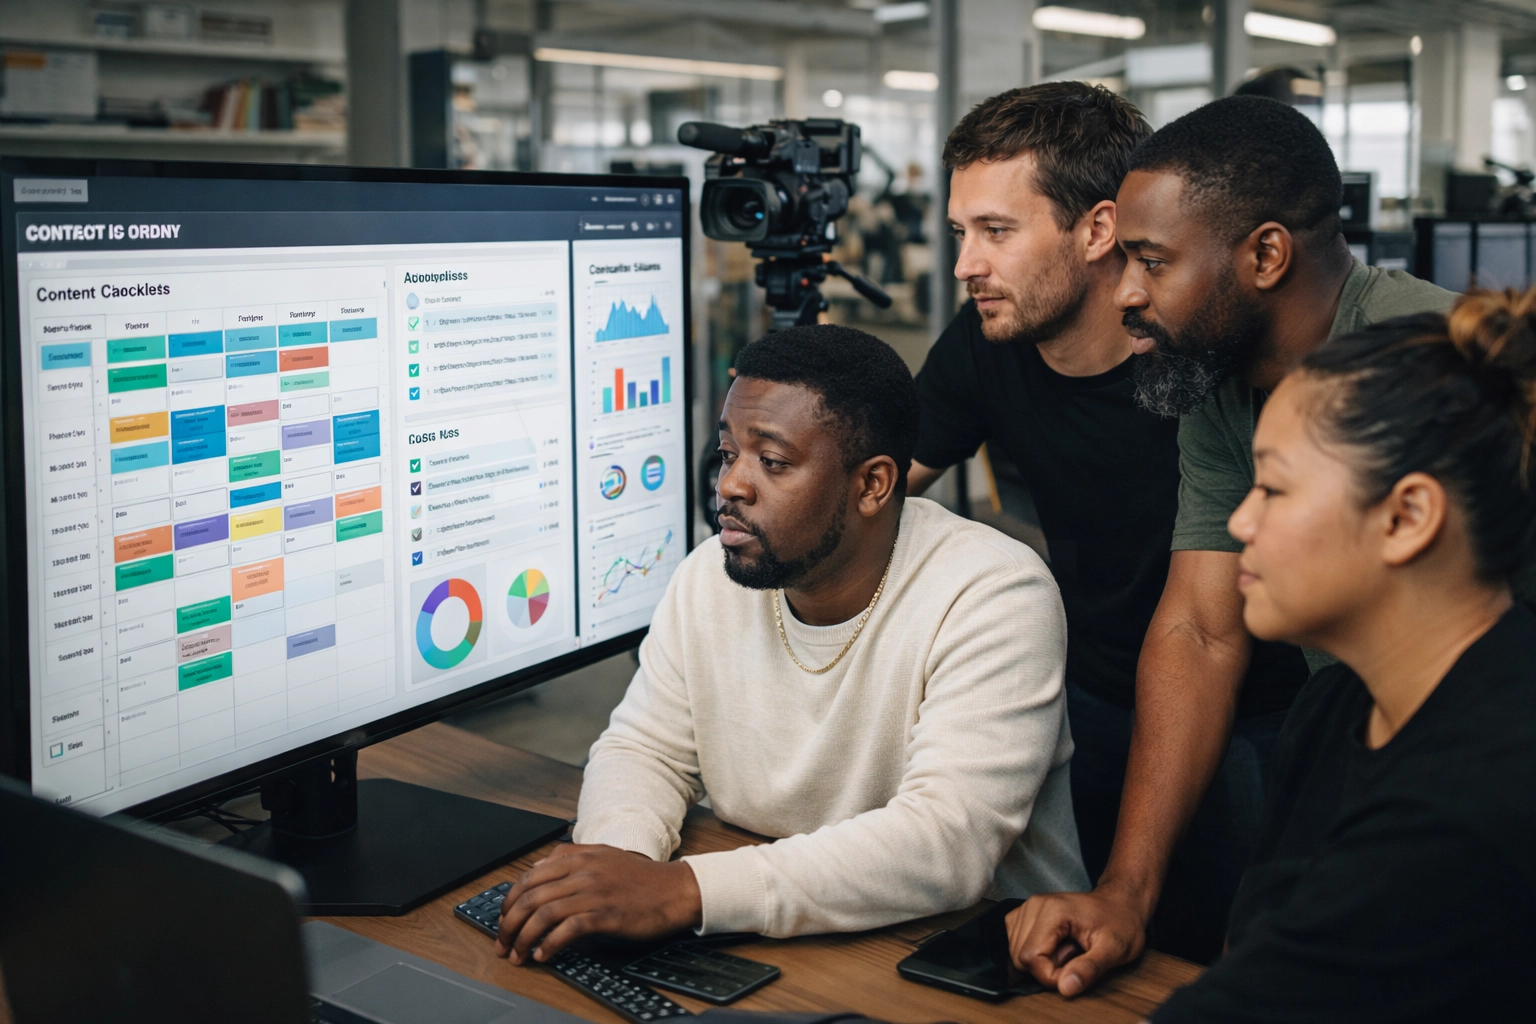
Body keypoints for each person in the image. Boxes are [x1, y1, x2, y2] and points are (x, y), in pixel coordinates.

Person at [1007, 95, 1459, 989]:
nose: (1124, 291)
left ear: (1264, 254)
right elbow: (1202, 628)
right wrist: (1125, 892)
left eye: (1151, 260)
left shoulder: (1435, 367)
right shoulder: (1220, 377)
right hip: (1359, 756)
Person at [493, 324, 1087, 965]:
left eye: (772, 462)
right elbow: (645, 749)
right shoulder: (708, 576)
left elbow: (946, 844)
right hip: (792, 939)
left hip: (973, 963)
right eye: (728, 454)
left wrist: (680, 892)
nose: (730, 487)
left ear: (873, 485)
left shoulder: (994, 593)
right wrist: (618, 868)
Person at [1147, 291, 1536, 1021]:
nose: (1239, 519)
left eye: (1274, 487)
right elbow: (1259, 960)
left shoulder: (1481, 798)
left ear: (1406, 516)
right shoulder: (1337, 706)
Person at [909, 82, 1196, 901]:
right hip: (1087, 683)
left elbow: (1208, 626)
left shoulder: (1195, 355)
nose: (966, 264)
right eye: (962, 231)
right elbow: (881, 486)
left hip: (1246, 698)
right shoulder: (987, 335)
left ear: (1098, 227)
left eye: (997, 231)